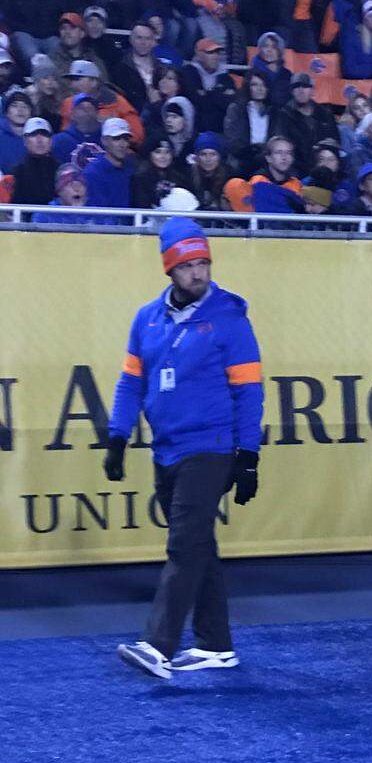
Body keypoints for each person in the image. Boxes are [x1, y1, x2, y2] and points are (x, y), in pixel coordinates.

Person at [104, 218, 264, 680]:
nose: (198, 273)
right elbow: (131, 382)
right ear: (169, 269)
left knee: (183, 544)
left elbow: (249, 391)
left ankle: (159, 645)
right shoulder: (147, 319)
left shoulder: (229, 317)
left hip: (211, 447)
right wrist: (117, 436)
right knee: (198, 545)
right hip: (167, 449)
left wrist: (248, 456)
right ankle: (216, 645)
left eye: (204, 263)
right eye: (188, 265)